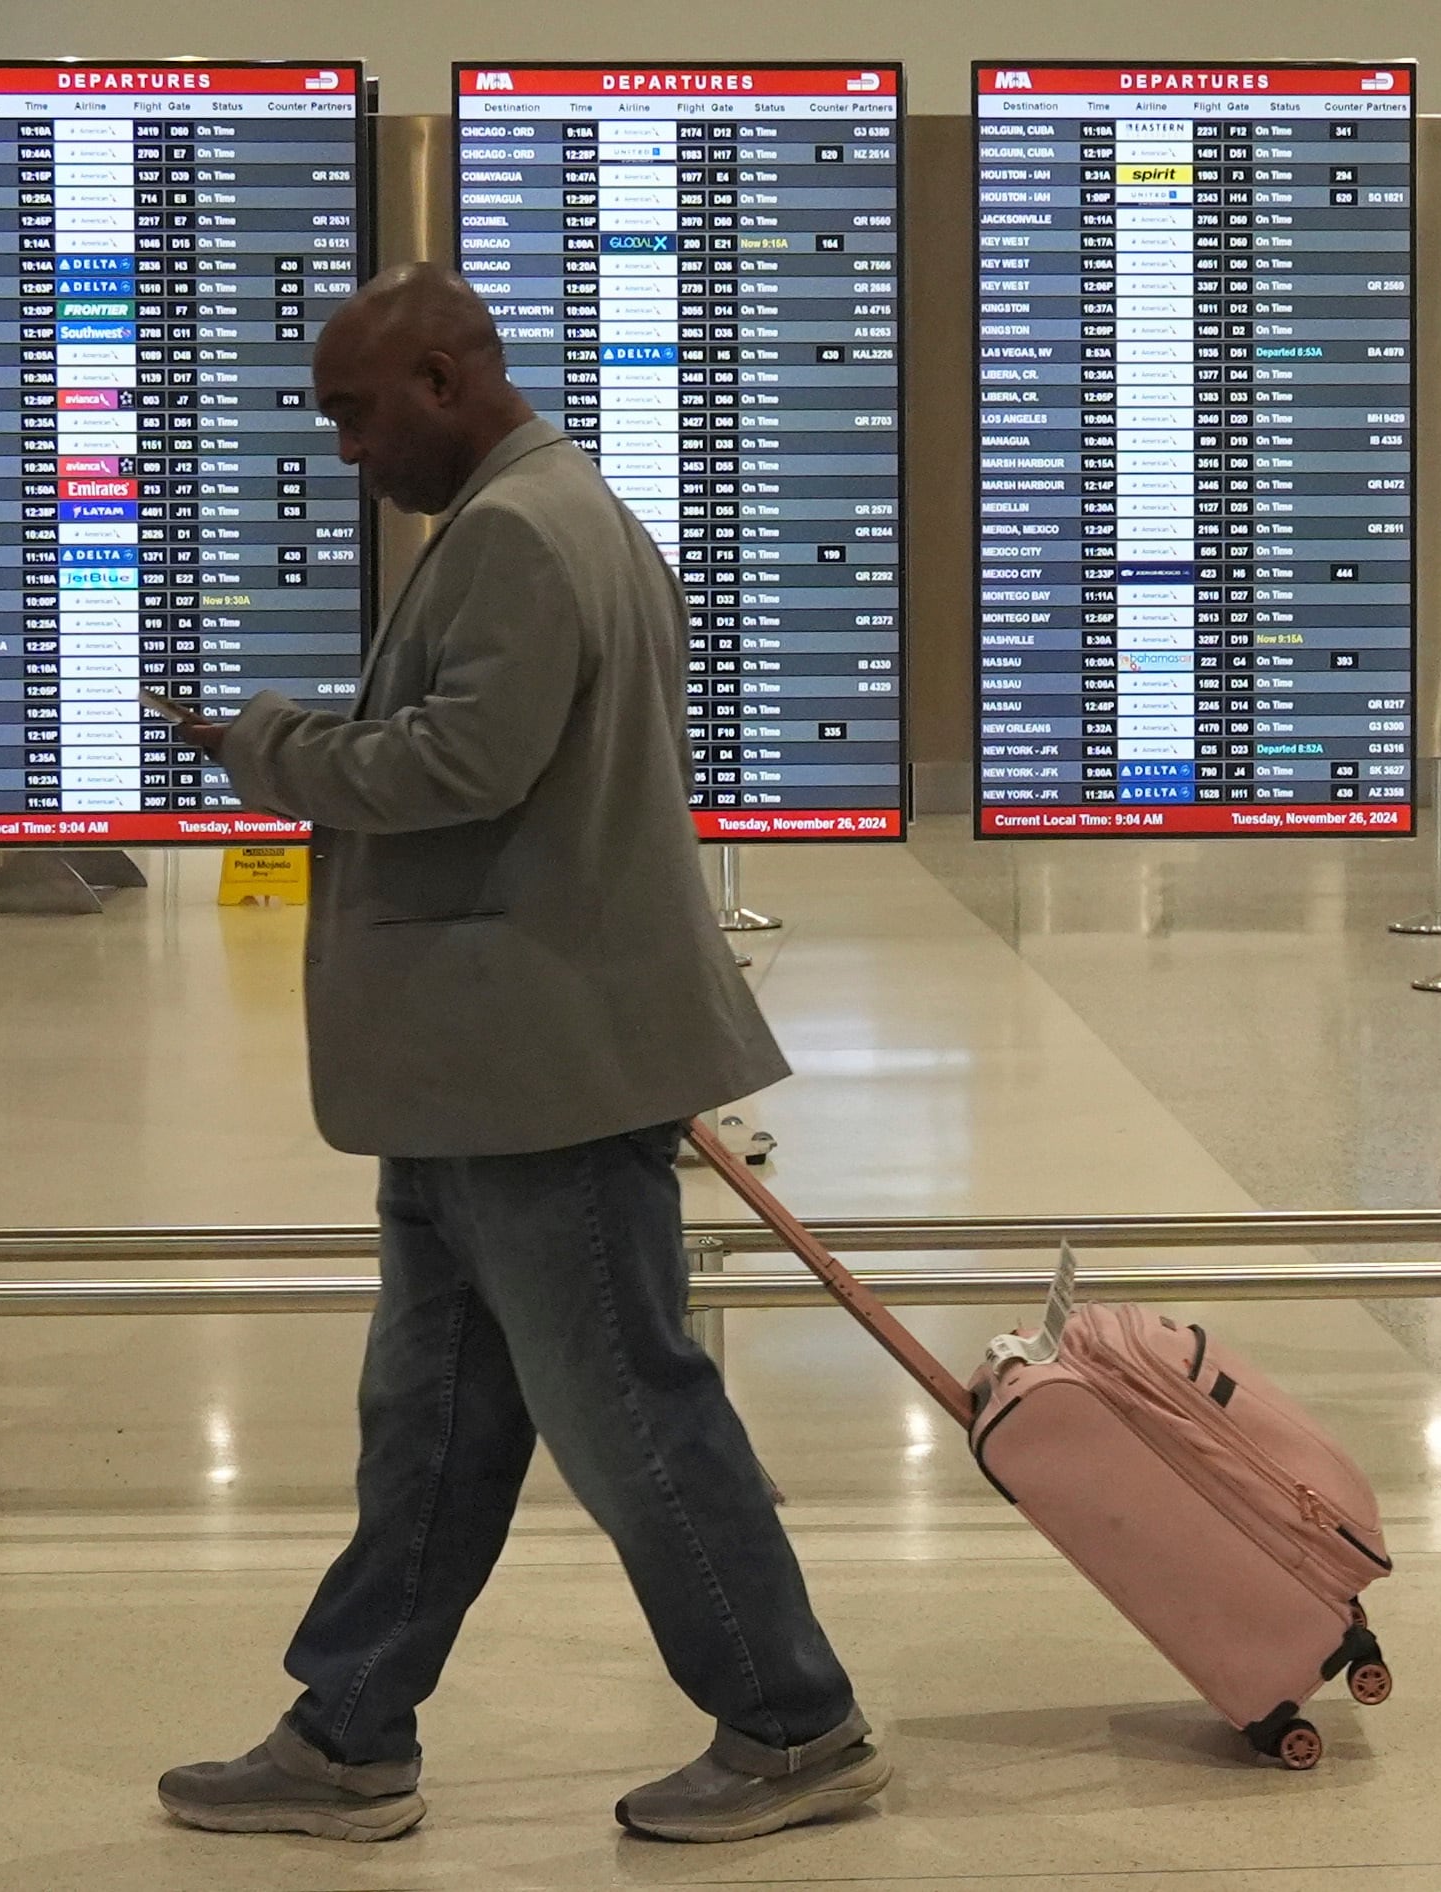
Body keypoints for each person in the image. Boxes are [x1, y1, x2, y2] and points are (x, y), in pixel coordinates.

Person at [151, 264, 888, 1846]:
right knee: (433, 1420)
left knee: (631, 1412)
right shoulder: (564, 509)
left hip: (537, 1071)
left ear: (438, 377)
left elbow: (462, 766)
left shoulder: (510, 532)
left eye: (354, 413)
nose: (345, 448)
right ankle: (348, 1728)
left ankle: (793, 1723)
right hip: (483, 1071)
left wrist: (267, 743)